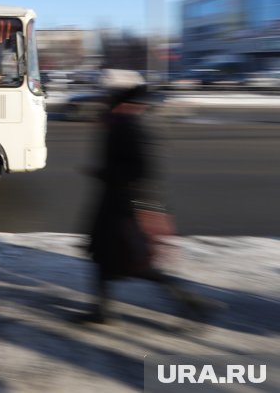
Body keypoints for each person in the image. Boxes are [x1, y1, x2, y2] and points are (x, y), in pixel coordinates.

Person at [77, 69, 217, 324]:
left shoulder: (132, 124)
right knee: (106, 258)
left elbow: (143, 170)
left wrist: (106, 174)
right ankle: (102, 311)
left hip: (125, 207)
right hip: (120, 204)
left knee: (133, 263)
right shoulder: (133, 121)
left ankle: (191, 301)